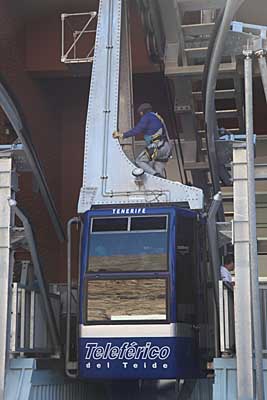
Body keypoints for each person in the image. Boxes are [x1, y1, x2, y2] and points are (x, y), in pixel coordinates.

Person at [112, 103, 172, 178]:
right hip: (166, 147)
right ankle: (162, 182)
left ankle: (155, 175)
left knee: (140, 161)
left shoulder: (147, 117)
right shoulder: (157, 117)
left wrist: (122, 135)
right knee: (158, 167)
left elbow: (137, 130)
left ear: (142, 112)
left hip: (157, 146)